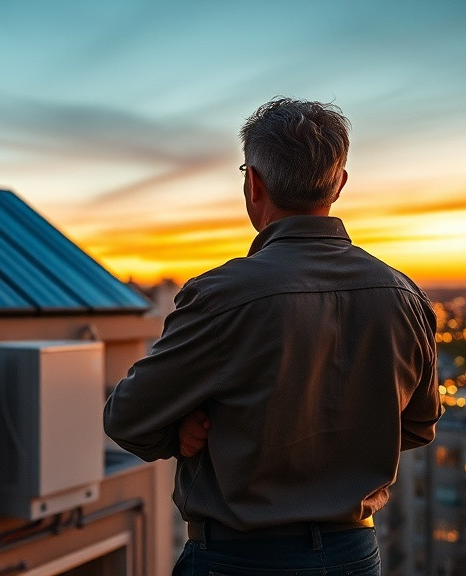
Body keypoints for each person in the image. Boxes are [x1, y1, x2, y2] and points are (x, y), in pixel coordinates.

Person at [103, 97, 441, 576]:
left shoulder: (222, 295)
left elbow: (127, 417)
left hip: (239, 560)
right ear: (340, 183)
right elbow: (419, 425)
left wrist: (182, 431)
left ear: (253, 182)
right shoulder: (402, 295)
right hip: (355, 560)